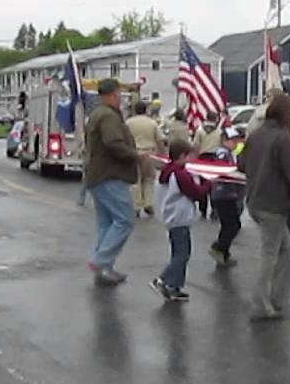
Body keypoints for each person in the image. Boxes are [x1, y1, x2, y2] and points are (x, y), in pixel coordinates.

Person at [238, 94, 290, 320]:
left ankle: (272, 297)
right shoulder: (283, 139)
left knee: (284, 249)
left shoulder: (255, 135)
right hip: (273, 206)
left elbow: (241, 164)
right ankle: (260, 303)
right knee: (270, 254)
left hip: (255, 201)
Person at [84, 78, 140, 286]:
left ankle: (105, 268)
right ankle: (100, 261)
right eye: (119, 95)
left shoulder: (98, 114)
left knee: (106, 224)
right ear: (112, 95)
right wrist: (136, 155)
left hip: (97, 176)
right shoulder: (108, 116)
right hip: (109, 176)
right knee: (125, 220)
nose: (121, 100)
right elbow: (113, 143)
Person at [149, 139, 213, 303]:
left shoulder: (169, 171)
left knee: (179, 253)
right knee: (182, 254)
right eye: (190, 156)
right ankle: (163, 280)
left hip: (172, 217)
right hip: (179, 218)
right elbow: (196, 193)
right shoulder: (180, 174)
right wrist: (208, 183)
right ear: (183, 155)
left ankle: (175, 286)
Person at [207, 126, 246, 267]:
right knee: (233, 225)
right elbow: (224, 172)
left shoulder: (230, 153)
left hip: (228, 193)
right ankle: (218, 248)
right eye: (232, 140)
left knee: (228, 225)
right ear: (224, 140)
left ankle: (223, 253)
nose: (235, 143)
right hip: (223, 193)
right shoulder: (222, 154)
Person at [125, 101, 163, 218]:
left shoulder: (128, 123)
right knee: (149, 179)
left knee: (135, 180)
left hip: (134, 152)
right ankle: (148, 203)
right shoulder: (152, 123)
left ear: (135, 110)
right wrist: (163, 155)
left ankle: (136, 206)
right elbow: (159, 140)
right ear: (145, 110)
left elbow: (124, 139)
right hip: (149, 153)